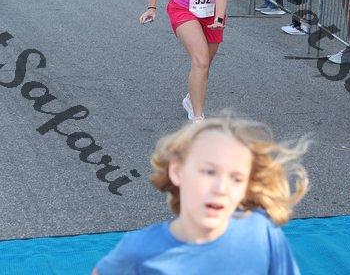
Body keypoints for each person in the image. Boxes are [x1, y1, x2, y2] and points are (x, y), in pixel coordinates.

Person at [93, 115, 308, 275]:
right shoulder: (139, 251)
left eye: (236, 178)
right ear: (178, 171)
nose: (221, 188)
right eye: (208, 172)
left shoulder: (261, 233)